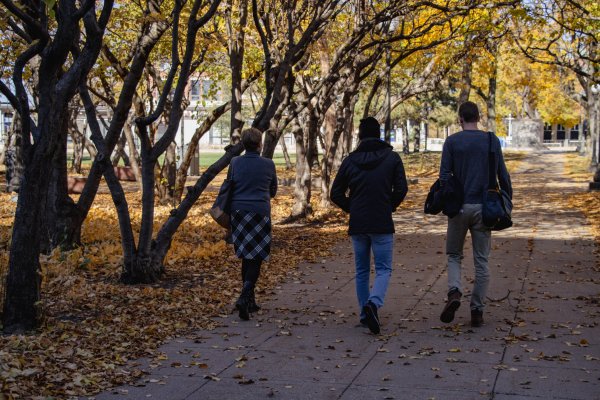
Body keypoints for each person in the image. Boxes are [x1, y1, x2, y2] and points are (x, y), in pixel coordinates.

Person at [331, 117, 408, 334]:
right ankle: (373, 303)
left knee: (362, 270)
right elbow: (401, 189)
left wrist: (352, 208)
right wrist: (389, 206)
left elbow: (335, 193)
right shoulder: (392, 158)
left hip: (359, 223)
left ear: (360, 135)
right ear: (379, 134)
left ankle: (365, 314)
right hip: (381, 222)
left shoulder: (350, 161)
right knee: (384, 268)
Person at [438, 101, 512, 327]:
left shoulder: (451, 142)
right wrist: (507, 202)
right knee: (481, 260)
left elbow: (444, 177)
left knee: (453, 254)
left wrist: (447, 201)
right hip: (484, 208)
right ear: (478, 118)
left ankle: (455, 291)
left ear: (460, 118)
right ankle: (477, 310)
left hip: (459, 208)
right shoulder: (491, 140)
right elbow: (502, 174)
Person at [228, 128, 278, 320]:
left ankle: (249, 300)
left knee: (245, 256)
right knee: (255, 257)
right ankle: (245, 295)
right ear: (260, 144)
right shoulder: (268, 164)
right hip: (260, 213)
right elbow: (272, 190)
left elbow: (230, 185)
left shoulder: (235, 162)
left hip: (238, 213)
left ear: (243, 143)